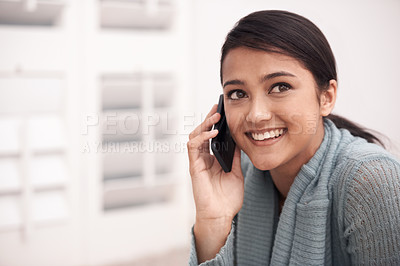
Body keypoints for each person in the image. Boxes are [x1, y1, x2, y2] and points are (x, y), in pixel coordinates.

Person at [187, 10, 400, 266]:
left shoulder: (371, 179)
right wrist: (213, 222)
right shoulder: (241, 175)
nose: (256, 115)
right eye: (238, 93)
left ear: (326, 97)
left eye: (280, 87)